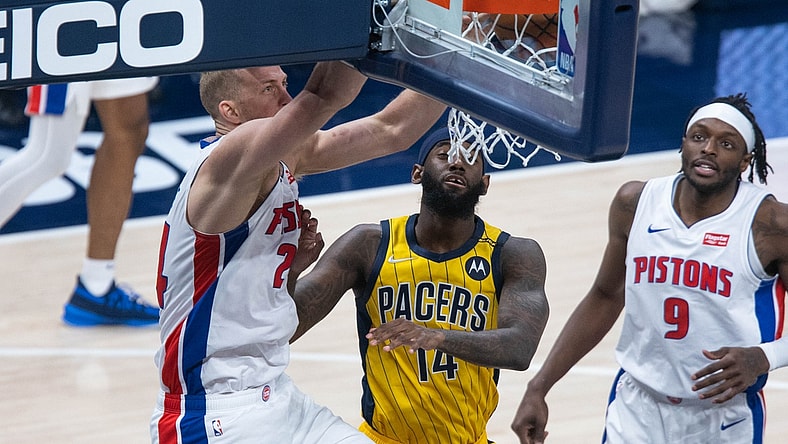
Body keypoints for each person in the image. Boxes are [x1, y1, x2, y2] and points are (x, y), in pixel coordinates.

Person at [150, 62, 447, 443]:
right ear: (230, 112)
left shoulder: (285, 157)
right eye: (269, 89)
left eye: (285, 83)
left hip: (279, 396)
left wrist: (451, 59)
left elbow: (392, 130)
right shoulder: (228, 159)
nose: (287, 97)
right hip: (215, 414)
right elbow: (323, 96)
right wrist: (369, 21)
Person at [511, 93, 788, 444]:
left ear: (746, 160)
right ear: (683, 143)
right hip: (637, 407)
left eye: (727, 143)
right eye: (699, 137)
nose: (709, 149)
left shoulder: (771, 224)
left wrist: (765, 356)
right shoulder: (635, 202)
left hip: (723, 418)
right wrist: (540, 386)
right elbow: (605, 295)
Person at [289, 128, 551, 443]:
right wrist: (290, 269)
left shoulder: (513, 254)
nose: (457, 163)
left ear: (485, 184)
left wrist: (435, 337)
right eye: (444, 154)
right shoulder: (368, 244)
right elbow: (287, 326)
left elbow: (520, 348)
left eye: (470, 159)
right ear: (417, 173)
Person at [0, 78, 161, 326]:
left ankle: (96, 285)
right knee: (47, 154)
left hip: (117, 36)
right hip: (68, 37)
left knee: (129, 130)